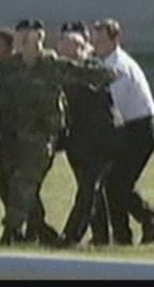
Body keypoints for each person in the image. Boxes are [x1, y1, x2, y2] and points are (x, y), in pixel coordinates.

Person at [0, 18, 116, 245]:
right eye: (21, 39)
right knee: (7, 185)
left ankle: (11, 231)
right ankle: (39, 230)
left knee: (24, 182)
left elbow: (83, 73)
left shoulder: (51, 65)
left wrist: (106, 73)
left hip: (40, 138)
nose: (24, 44)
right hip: (13, 137)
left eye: (30, 39)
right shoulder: (9, 68)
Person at [90, 18, 154, 246]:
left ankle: (148, 220)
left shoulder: (119, 67)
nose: (95, 45)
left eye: (101, 41)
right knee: (113, 184)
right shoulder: (101, 63)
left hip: (138, 129)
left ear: (114, 41)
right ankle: (123, 234)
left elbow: (114, 107)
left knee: (118, 183)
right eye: (94, 40)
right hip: (127, 128)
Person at [53, 24, 119, 248]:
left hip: (101, 139)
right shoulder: (61, 71)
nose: (63, 55)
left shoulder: (93, 69)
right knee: (91, 188)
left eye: (68, 50)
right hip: (77, 141)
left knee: (88, 189)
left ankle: (72, 235)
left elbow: (102, 83)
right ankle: (102, 236)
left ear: (80, 49)